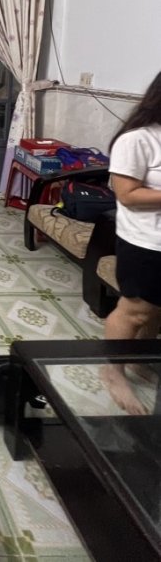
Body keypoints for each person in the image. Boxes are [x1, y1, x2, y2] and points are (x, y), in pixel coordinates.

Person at [101, 71, 161, 414]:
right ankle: (113, 371)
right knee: (135, 311)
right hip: (145, 244)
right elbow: (127, 195)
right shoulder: (137, 140)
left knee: (156, 309)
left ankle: (139, 358)